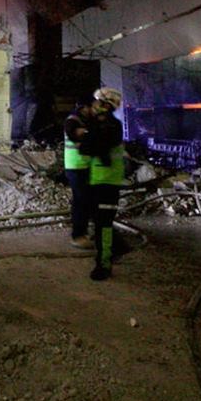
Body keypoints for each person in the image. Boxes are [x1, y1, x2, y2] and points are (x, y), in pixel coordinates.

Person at [85, 87, 125, 281]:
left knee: (104, 224)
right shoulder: (108, 125)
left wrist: (86, 134)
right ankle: (116, 249)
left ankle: (104, 264)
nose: (94, 105)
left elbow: (90, 146)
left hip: (106, 181)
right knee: (101, 221)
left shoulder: (108, 126)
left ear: (105, 105)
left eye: (98, 102)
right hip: (102, 179)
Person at [64, 96, 95, 249]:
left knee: (86, 200)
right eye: (92, 107)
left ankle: (84, 232)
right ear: (84, 107)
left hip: (84, 167)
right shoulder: (72, 121)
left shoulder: (84, 121)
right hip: (75, 167)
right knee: (80, 202)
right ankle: (78, 236)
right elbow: (73, 133)